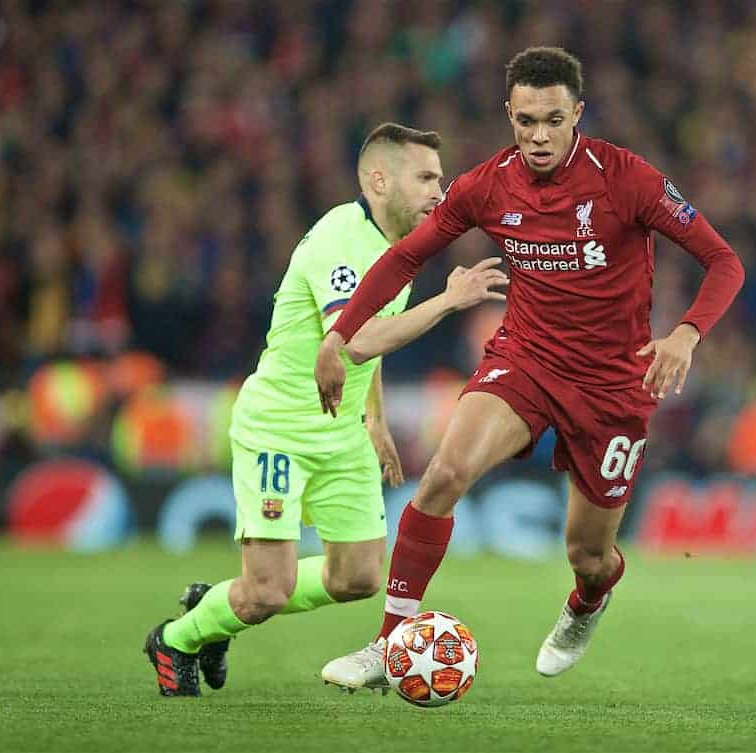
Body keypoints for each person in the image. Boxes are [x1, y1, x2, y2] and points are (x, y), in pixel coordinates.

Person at [315, 47, 744, 689]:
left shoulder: (629, 180)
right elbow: (406, 258)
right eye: (525, 121)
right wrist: (339, 336)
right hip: (527, 360)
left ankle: (588, 600)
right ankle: (389, 645)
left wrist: (686, 333)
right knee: (444, 474)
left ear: (577, 113)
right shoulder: (487, 185)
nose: (538, 136)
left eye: (552, 120)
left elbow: (724, 262)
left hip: (612, 387)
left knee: (588, 554)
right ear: (508, 115)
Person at [143, 123, 509, 696]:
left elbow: (366, 352)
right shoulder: (339, 239)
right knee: (266, 592)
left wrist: (375, 419)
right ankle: (180, 637)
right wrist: (450, 299)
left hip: (342, 434)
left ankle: (217, 604)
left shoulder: (400, 252)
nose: (441, 190)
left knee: (358, 578)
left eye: (441, 177)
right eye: (426, 177)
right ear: (378, 180)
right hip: (280, 432)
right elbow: (357, 337)